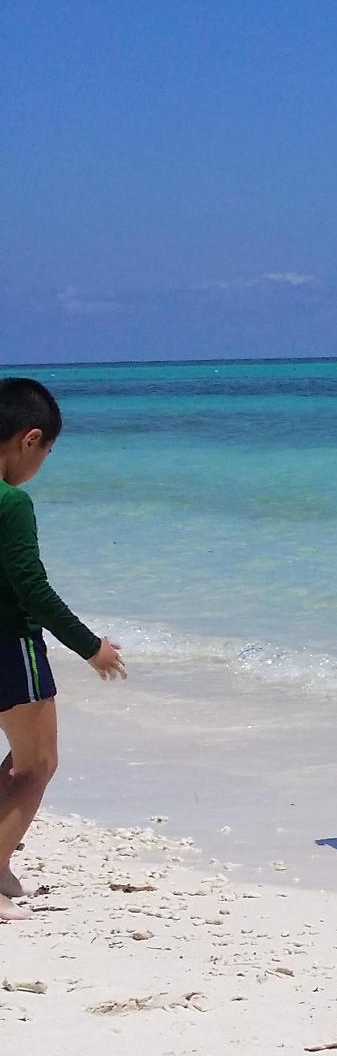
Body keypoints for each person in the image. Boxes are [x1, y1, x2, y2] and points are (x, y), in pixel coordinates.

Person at [1, 378, 126, 920]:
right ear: (30, 440)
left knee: (19, 761)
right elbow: (31, 586)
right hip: (9, 645)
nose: (41, 464)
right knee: (37, 763)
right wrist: (89, 646)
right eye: (46, 453)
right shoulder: (11, 503)